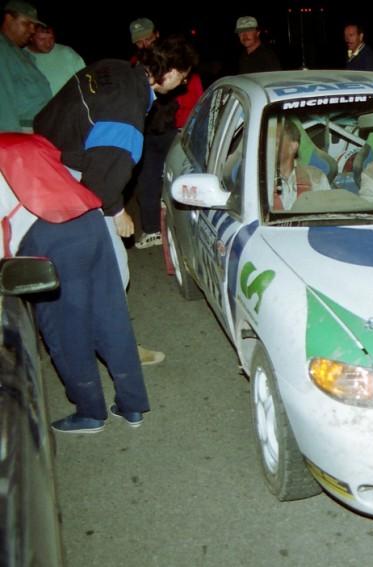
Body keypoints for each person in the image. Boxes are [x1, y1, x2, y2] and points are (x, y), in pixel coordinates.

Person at [33, 36, 198, 365]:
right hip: (67, 177)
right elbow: (103, 179)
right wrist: (118, 212)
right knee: (113, 267)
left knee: (71, 266)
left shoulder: (114, 68)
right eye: (182, 77)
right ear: (168, 73)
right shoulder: (126, 115)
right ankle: (115, 348)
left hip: (42, 159)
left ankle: (76, 338)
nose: (182, 86)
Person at [0, 133, 149, 434]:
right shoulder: (24, 141)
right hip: (88, 217)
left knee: (66, 329)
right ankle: (132, 404)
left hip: (47, 233)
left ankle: (90, 412)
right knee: (110, 315)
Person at [129, 21, 204, 250]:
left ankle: (189, 230)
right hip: (147, 133)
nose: (144, 43)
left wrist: (188, 130)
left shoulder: (179, 63)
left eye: (148, 38)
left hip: (176, 132)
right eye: (139, 40)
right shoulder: (135, 67)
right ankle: (152, 230)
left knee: (179, 180)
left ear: (157, 35)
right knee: (149, 180)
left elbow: (195, 100)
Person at [0, 0, 51, 132]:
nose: (32, 30)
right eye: (27, 23)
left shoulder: (21, 54)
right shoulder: (2, 50)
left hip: (38, 130)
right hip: (20, 132)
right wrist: (13, 141)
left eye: (34, 25)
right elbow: (3, 103)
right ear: (8, 19)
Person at [272, 120, 331, 210]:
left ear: (292, 147)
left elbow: (327, 215)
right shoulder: (258, 182)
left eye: (275, 144)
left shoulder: (316, 178)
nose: (268, 149)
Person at [25, 23, 85, 95]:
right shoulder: (21, 57)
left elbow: (85, 79)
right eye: (42, 39)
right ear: (31, 37)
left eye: (51, 38)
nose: (48, 44)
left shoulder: (67, 52)